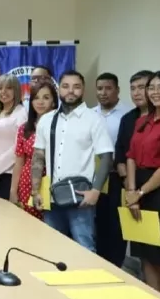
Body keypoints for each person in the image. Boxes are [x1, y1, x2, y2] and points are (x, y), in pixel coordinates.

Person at [31, 70, 113, 252]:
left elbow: (107, 157)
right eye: (66, 86)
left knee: (85, 248)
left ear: (83, 90)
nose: (70, 91)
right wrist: (35, 191)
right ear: (59, 89)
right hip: (52, 196)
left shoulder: (94, 119)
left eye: (76, 87)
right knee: (51, 249)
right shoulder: (47, 119)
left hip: (81, 198)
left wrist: (95, 191)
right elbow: (38, 156)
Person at [125, 70, 160, 299]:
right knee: (146, 251)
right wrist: (132, 192)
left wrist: (140, 192)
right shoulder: (142, 121)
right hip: (139, 190)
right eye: (151, 87)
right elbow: (131, 157)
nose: (155, 92)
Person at [93, 72, 130, 266]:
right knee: (97, 223)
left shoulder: (127, 114)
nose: (103, 93)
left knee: (117, 226)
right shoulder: (89, 114)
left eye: (108, 88)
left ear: (117, 90)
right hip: (94, 177)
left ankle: (116, 265)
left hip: (117, 176)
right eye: (100, 88)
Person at [10, 81, 58, 219]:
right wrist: (13, 191)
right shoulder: (24, 129)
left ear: (54, 102)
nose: (40, 102)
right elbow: (19, 162)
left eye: (46, 98)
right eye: (36, 98)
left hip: (53, 182)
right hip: (27, 183)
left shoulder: (60, 127)